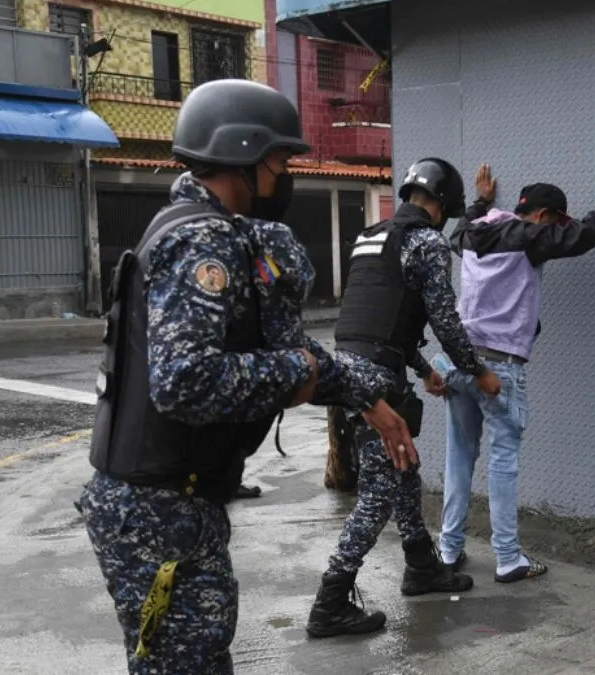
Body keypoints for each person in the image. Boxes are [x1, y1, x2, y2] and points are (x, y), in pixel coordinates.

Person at [78, 79, 412, 674]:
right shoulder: (203, 240)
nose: (286, 177)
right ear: (243, 155)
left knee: (195, 657)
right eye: (281, 163)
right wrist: (294, 371)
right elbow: (185, 380)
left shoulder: (210, 229)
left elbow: (285, 351)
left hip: (171, 501)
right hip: (159, 510)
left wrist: (368, 397)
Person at [305, 157, 503, 639]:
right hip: (374, 381)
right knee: (378, 494)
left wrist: (422, 370)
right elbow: (444, 320)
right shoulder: (427, 242)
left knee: (405, 468)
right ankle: (331, 600)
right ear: (442, 205)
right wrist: (478, 372)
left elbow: (385, 321)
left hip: (349, 370)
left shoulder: (371, 236)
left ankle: (421, 566)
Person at [436, 161, 595, 582]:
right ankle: (508, 558)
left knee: (459, 457)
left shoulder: (470, 232)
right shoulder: (530, 237)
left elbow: (459, 227)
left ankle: (448, 550)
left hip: (460, 359)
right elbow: (583, 236)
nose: (556, 230)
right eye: (555, 222)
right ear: (542, 216)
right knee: (503, 460)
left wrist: (480, 201)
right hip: (500, 366)